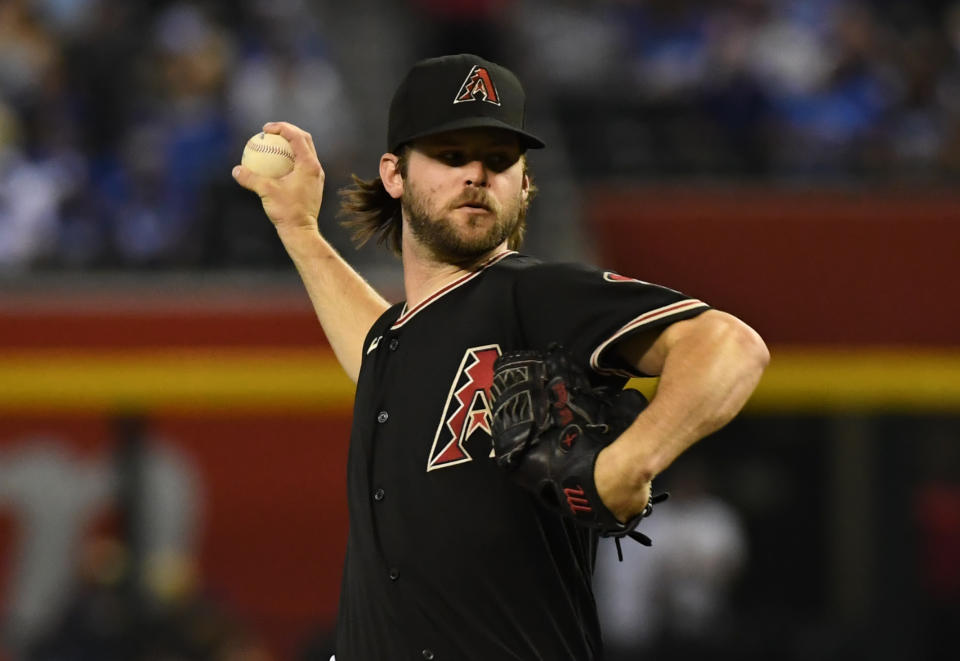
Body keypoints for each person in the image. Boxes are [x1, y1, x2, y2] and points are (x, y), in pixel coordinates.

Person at [232, 53, 769, 661]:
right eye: (451, 156)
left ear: (525, 183)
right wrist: (300, 231)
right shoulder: (398, 341)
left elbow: (730, 344)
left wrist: (629, 461)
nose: (477, 175)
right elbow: (378, 348)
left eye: (499, 160)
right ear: (394, 174)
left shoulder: (533, 294)